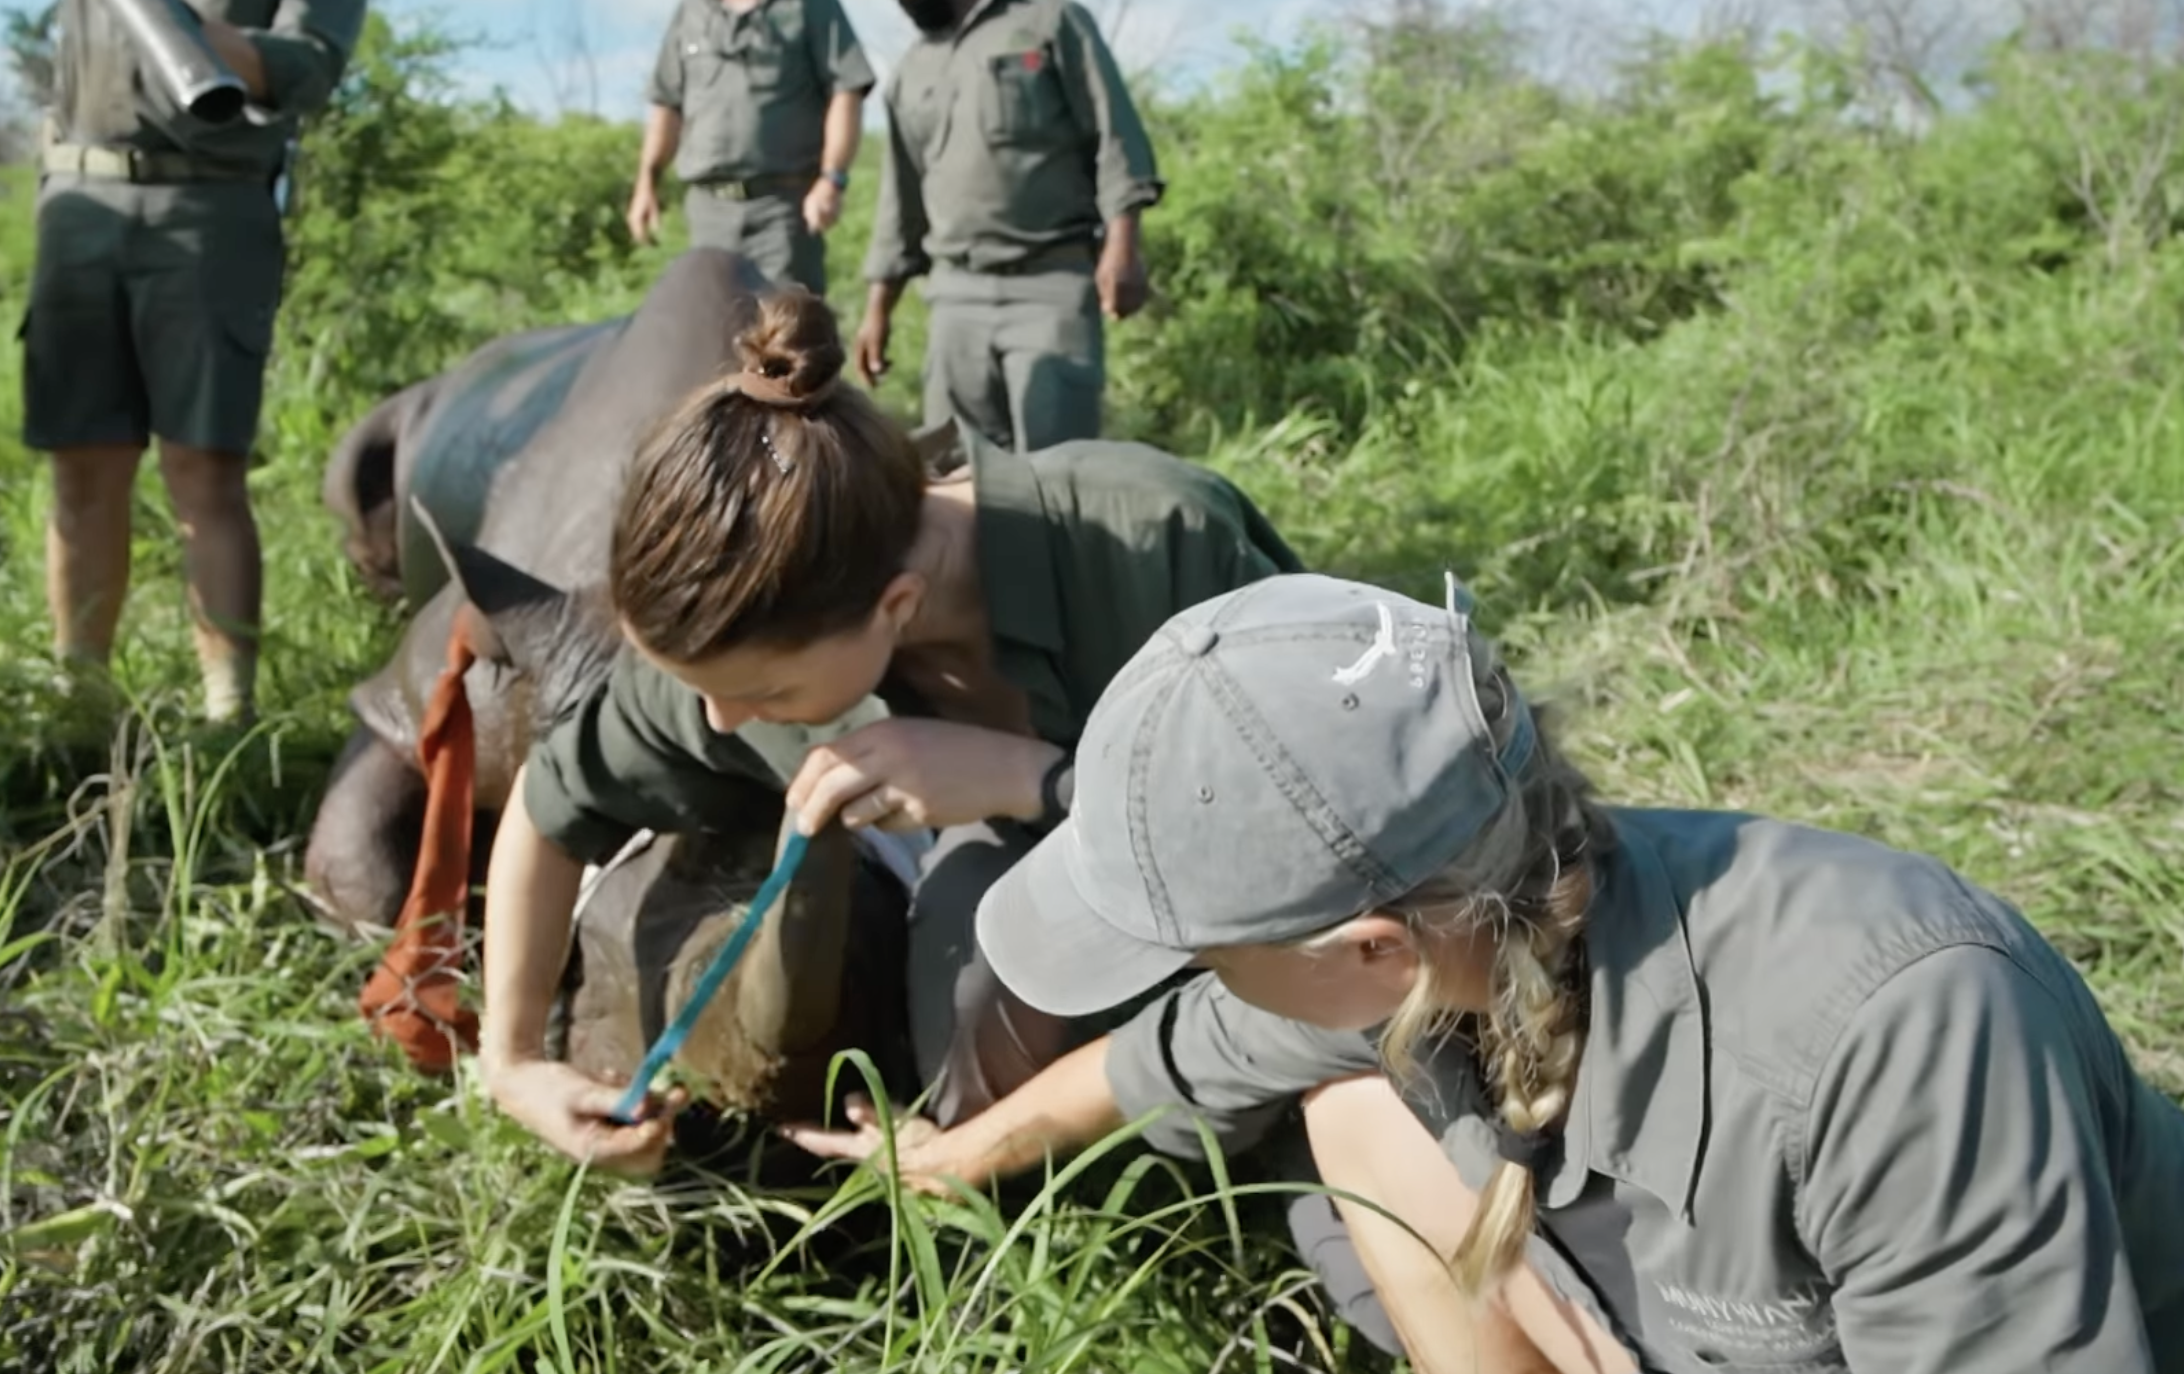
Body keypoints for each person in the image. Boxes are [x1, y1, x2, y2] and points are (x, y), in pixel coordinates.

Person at [793, 573, 2184, 1374]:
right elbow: (1175, 1056)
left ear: (1367, 950)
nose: (1193, 984)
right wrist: (946, 1158)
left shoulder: (1893, 1030)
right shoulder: (1473, 933)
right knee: (1351, 1111)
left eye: (1197, 947)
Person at [476, 287, 1302, 1181]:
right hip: (1065, 1015)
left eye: (762, 691)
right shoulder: (743, 635)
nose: (720, 722)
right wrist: (512, 1061)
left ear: (896, 609)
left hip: (1287, 959)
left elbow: (1330, 826)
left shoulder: (1156, 542)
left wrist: (1039, 781)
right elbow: (549, 805)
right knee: (982, 937)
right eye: (700, 692)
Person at [26, 0, 367, 723]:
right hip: (78, 204)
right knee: (81, 465)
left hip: (210, 207)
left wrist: (176, 23)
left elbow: (305, 68)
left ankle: (227, 716)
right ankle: (79, 702)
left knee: (204, 470)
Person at [855, 0, 1161, 452]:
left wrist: (1123, 247)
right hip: (955, 297)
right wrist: (877, 310)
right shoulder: (912, 70)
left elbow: (1115, 134)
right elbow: (900, 202)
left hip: (1050, 287)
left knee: (1058, 471)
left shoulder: (1049, 21)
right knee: (953, 470)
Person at [628, 0, 873, 296]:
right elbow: (667, 104)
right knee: (712, 328)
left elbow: (846, 90)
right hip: (709, 211)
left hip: (782, 208)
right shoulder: (691, 12)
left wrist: (832, 179)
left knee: (787, 327)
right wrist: (646, 183)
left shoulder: (809, 6)